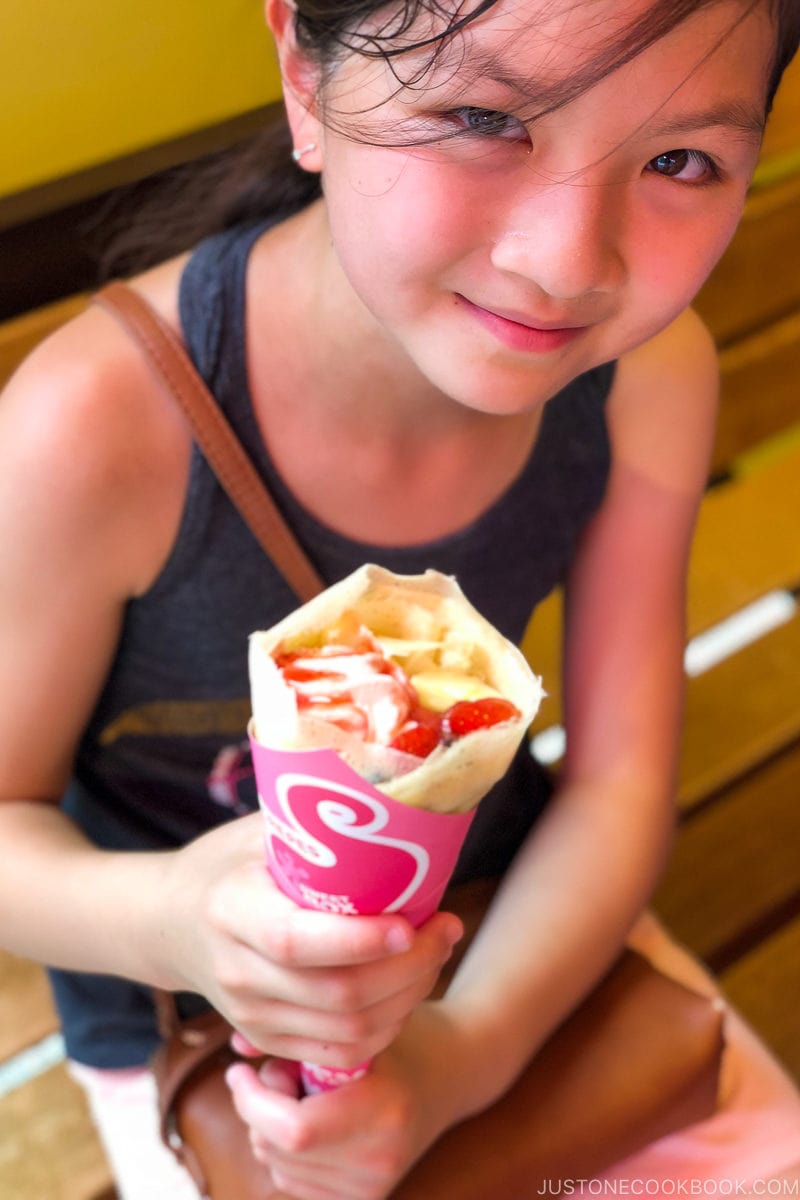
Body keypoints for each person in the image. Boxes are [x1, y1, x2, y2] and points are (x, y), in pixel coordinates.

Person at [1, 1, 799, 1198]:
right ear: (303, 76)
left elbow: (619, 781)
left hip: (515, 936)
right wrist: (177, 918)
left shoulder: (643, 372)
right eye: (479, 117)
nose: (566, 262)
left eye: (679, 160)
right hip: (196, 1022)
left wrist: (457, 1057)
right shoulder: (98, 429)